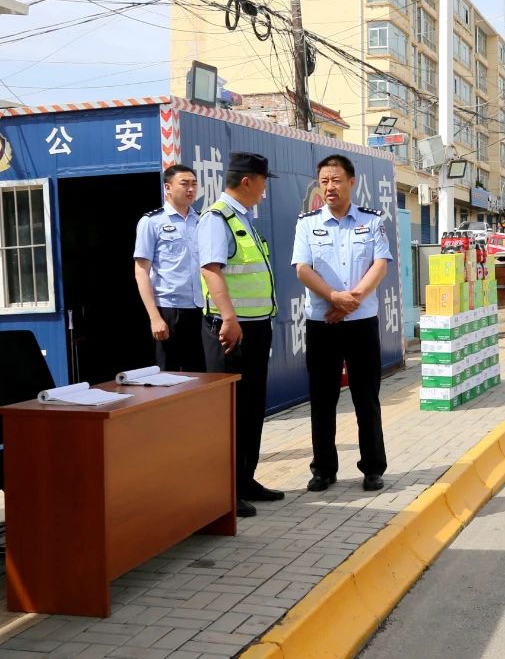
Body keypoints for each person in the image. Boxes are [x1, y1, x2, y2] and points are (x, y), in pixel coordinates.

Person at [292, 155, 390, 493]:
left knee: (366, 397)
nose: (329, 187)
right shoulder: (306, 223)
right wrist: (334, 298)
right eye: (324, 181)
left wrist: (353, 300)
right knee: (322, 399)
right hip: (323, 324)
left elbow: (380, 264)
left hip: (361, 322)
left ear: (351, 181)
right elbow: (302, 269)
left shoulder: (372, 221)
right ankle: (324, 469)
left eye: (335, 180)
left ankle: (373, 468)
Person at [199, 151, 282, 519]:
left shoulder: (244, 219)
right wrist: (230, 318)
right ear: (248, 181)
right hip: (231, 330)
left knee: (251, 409)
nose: (266, 190)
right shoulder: (217, 218)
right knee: (230, 413)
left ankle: (245, 480)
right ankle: (224, 492)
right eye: (263, 181)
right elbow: (212, 270)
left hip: (255, 327)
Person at [133, 164, 205, 372]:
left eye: (194, 184)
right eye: (184, 184)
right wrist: (155, 317)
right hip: (169, 309)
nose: (191, 189)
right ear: (168, 188)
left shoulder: (201, 220)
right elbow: (141, 271)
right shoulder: (152, 222)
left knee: (199, 374)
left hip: (199, 308)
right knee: (167, 374)